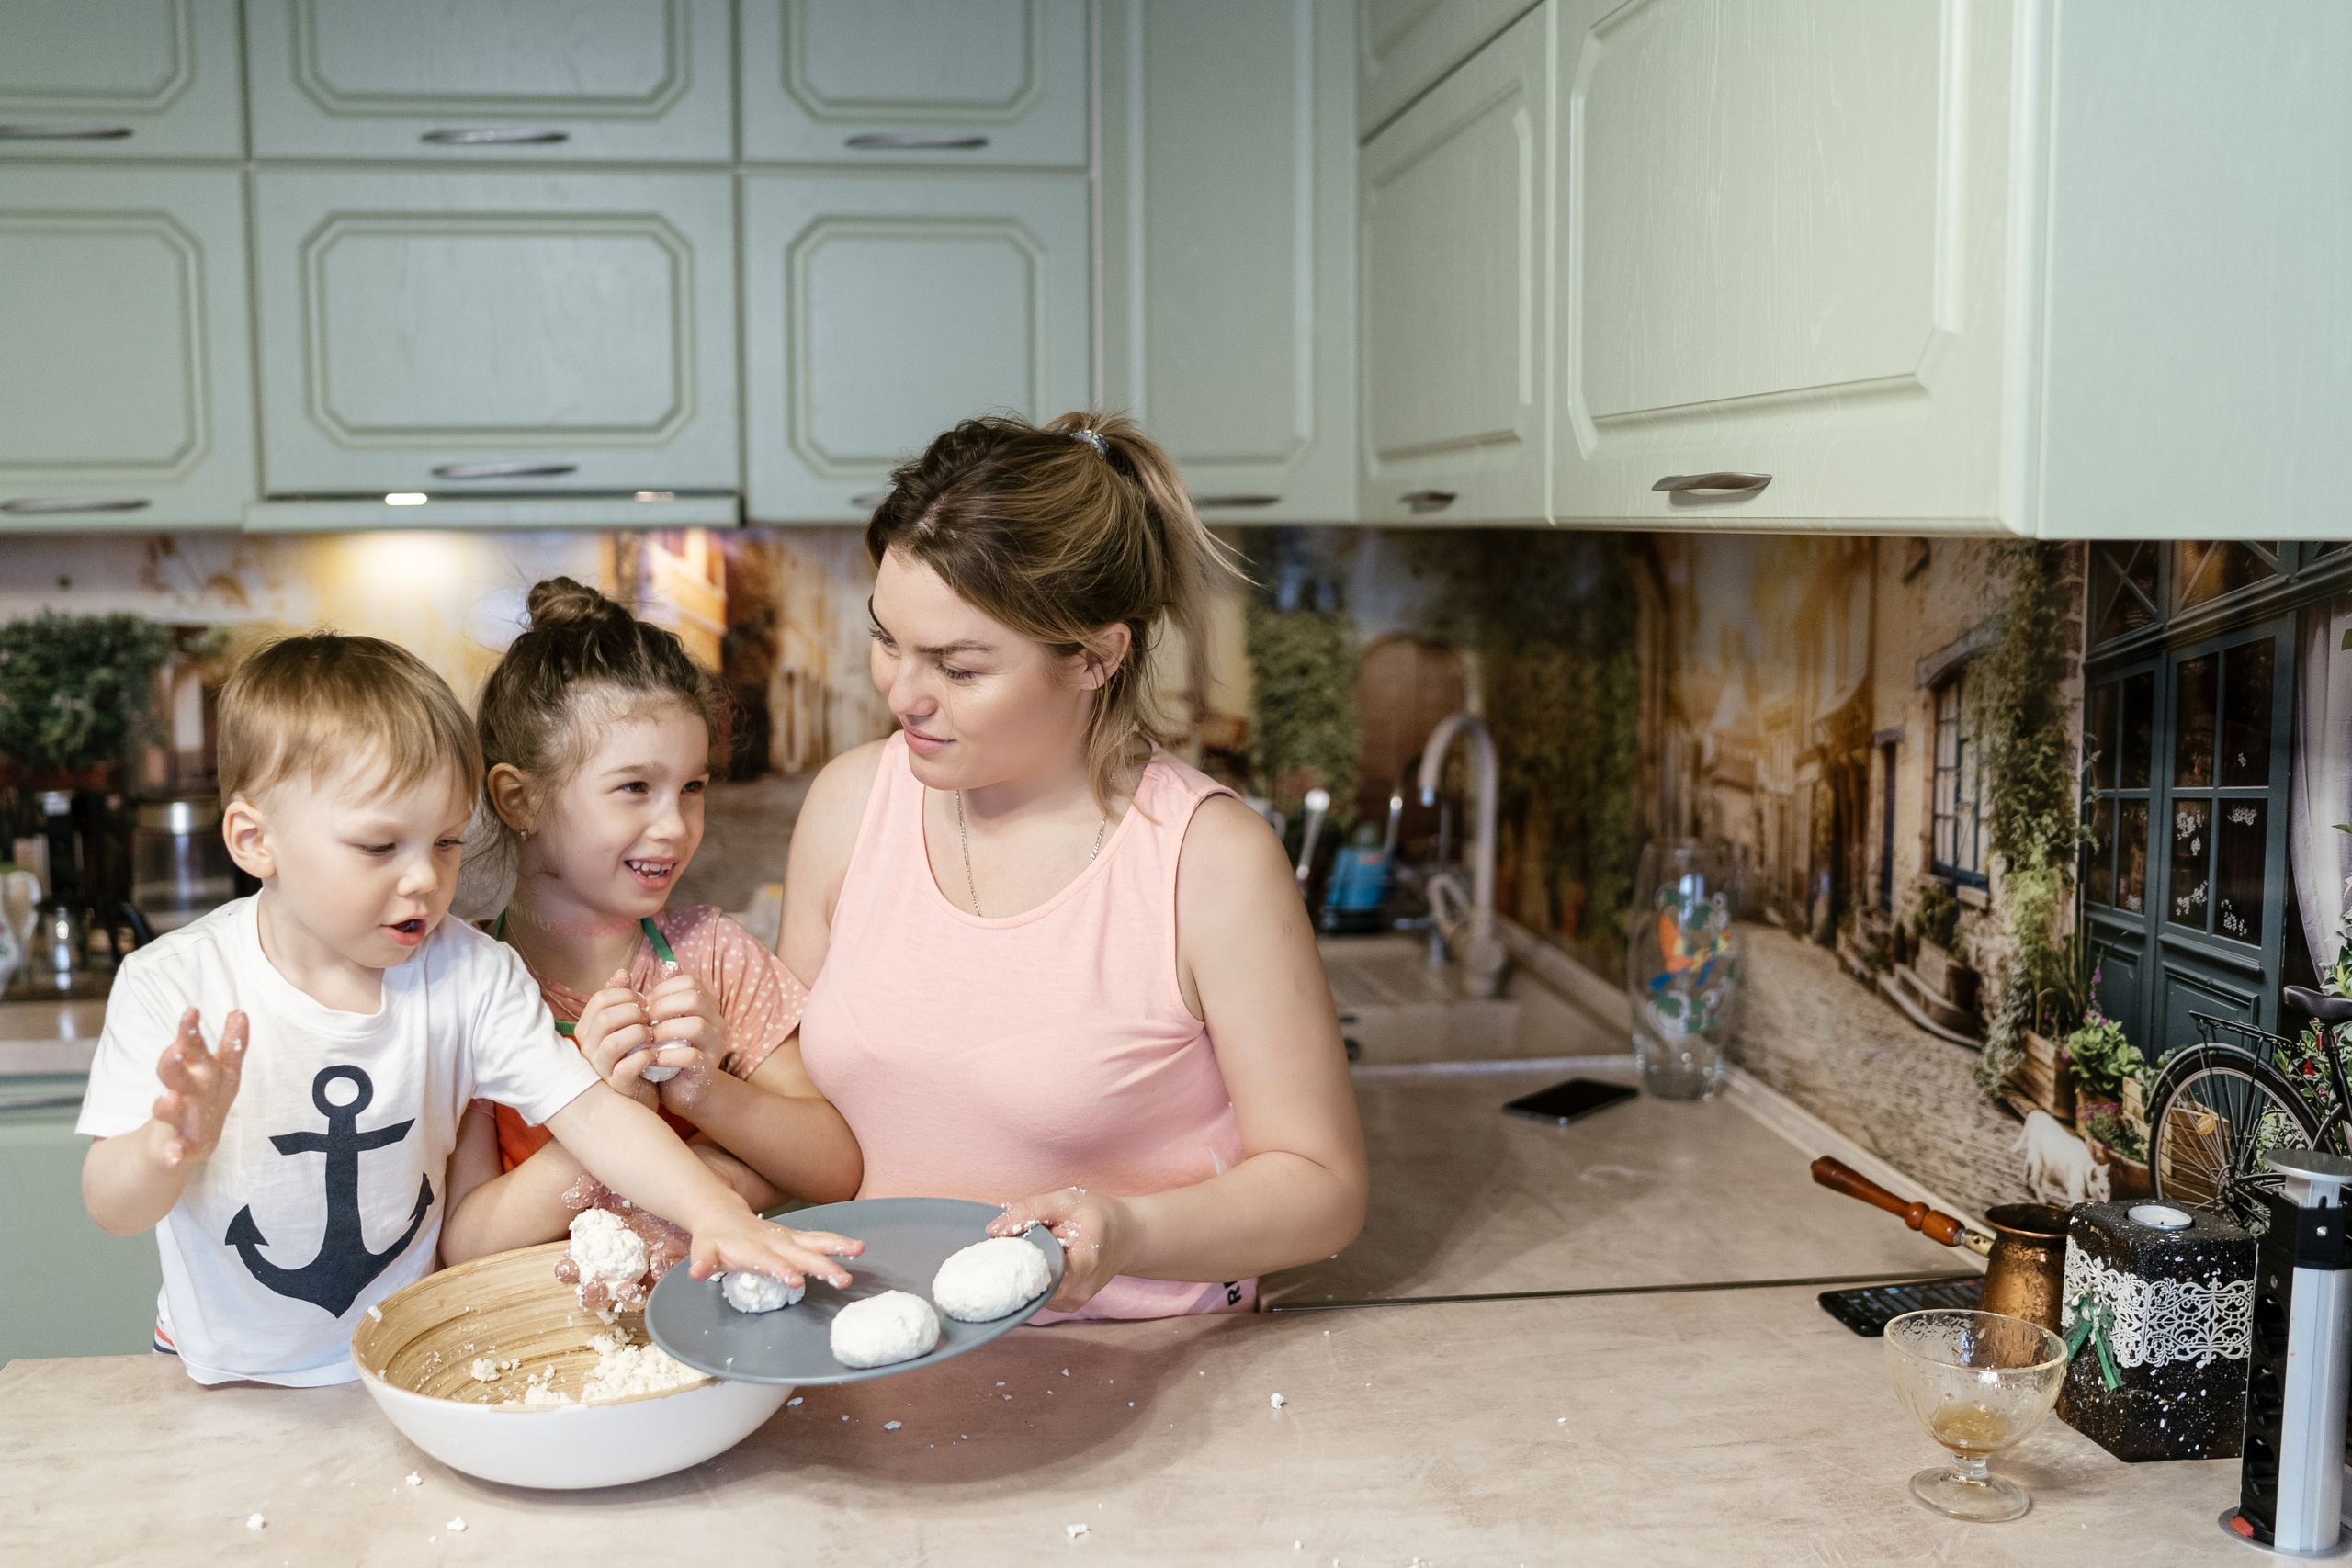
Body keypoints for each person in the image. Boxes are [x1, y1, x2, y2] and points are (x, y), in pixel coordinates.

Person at [76, 634, 858, 1385]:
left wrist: (713, 1213)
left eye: (445, 843)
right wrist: (165, 1145)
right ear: (255, 840)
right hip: (213, 1371)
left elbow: (593, 1112)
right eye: (381, 847)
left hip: (416, 1354)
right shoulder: (172, 985)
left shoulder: (472, 974)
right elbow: (111, 1208)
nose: (423, 879)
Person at [786, 412, 1368, 1319]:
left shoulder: (1208, 861)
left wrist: (1132, 1232)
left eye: (961, 667)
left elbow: (1322, 1189)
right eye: (888, 637)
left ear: (1097, 655)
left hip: (1142, 1383)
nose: (901, 691)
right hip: (874, 1362)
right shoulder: (848, 806)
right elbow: (799, 1116)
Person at [436, 580, 862, 1295]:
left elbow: (835, 1165)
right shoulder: (472, 986)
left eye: (691, 787)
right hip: (545, 1356)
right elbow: (468, 1242)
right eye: (635, 787)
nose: (675, 825)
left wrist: (704, 1092)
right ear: (520, 798)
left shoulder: (713, 957)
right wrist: (602, 1110)